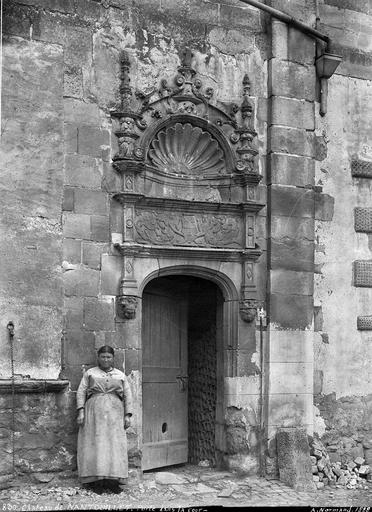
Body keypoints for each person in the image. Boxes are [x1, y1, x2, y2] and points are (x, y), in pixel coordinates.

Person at [76, 345, 133, 493]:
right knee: (96, 444)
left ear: (113, 358)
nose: (105, 359)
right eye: (103, 357)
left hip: (115, 413)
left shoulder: (120, 375)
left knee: (115, 445)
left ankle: (113, 481)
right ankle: (97, 482)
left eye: (108, 357)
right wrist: (81, 412)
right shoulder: (90, 373)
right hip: (94, 413)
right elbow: (81, 392)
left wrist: (127, 415)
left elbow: (128, 395)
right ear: (98, 358)